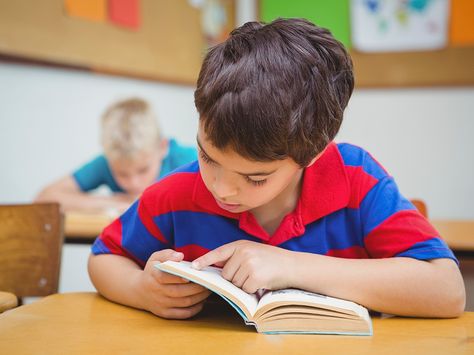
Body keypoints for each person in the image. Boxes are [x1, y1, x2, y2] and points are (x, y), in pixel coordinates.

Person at [88, 19, 465, 320]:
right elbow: (104, 257)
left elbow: (447, 292)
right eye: (208, 157)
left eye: (255, 178)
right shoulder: (179, 192)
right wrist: (141, 289)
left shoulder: (355, 178)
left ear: (314, 152)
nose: (221, 189)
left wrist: (291, 266)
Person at [35, 98, 197, 213]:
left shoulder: (189, 160)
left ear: (162, 147)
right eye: (122, 174)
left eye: (143, 170)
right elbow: (45, 198)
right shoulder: (108, 161)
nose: (134, 183)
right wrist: (112, 202)